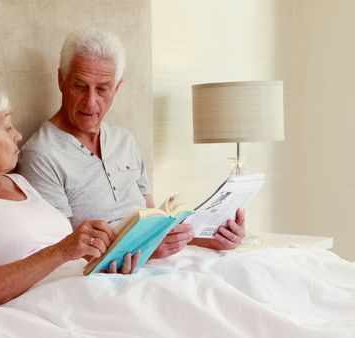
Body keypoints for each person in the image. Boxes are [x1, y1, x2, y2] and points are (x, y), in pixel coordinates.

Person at [0, 82, 141, 325]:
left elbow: (63, 254)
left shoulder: (19, 182)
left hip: (75, 293)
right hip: (21, 313)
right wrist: (63, 250)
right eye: (7, 127)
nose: (17, 135)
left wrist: (103, 262)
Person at [17, 28, 245, 256]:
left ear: (117, 87)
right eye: (80, 86)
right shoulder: (40, 154)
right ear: (61, 80)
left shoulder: (124, 140)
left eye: (102, 88)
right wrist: (146, 248)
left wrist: (211, 237)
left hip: (152, 261)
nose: (90, 102)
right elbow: (61, 250)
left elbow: (153, 217)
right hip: (102, 273)